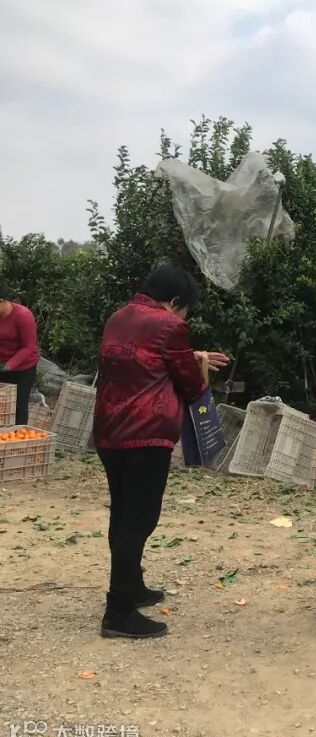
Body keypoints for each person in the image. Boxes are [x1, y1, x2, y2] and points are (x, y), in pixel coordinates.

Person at [94, 266, 229, 639]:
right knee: (140, 519)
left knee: (123, 513)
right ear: (174, 302)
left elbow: (145, 358)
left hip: (109, 431)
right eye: (185, 310)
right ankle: (118, 612)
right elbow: (189, 383)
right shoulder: (170, 326)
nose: (184, 317)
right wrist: (198, 365)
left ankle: (132, 586)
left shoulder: (119, 317)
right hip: (146, 433)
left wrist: (191, 354)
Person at [0, 280, 40, 427]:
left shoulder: (23, 315)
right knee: (2, 406)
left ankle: (17, 435)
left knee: (19, 405)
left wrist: (8, 366)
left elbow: (28, 347)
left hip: (23, 367)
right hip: (2, 363)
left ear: (2, 301)